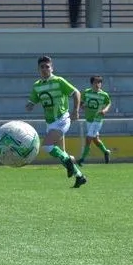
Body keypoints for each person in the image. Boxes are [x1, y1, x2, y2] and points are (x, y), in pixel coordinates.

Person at [26, 56, 87, 188]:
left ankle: (69, 162)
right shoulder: (37, 86)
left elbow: (76, 93)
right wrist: (30, 105)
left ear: (52, 68)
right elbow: (32, 101)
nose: (44, 69)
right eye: (42, 67)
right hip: (50, 123)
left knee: (46, 146)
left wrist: (76, 111)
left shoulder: (59, 81)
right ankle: (80, 177)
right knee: (62, 154)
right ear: (38, 69)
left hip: (62, 119)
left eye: (47, 66)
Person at [79, 75, 112, 165]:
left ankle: (82, 159)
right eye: (95, 82)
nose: (97, 84)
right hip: (89, 119)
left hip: (97, 120)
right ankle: (105, 151)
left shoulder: (104, 95)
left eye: (99, 82)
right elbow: (81, 102)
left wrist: (105, 110)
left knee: (88, 139)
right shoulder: (86, 92)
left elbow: (108, 103)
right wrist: (82, 105)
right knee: (95, 140)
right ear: (91, 83)